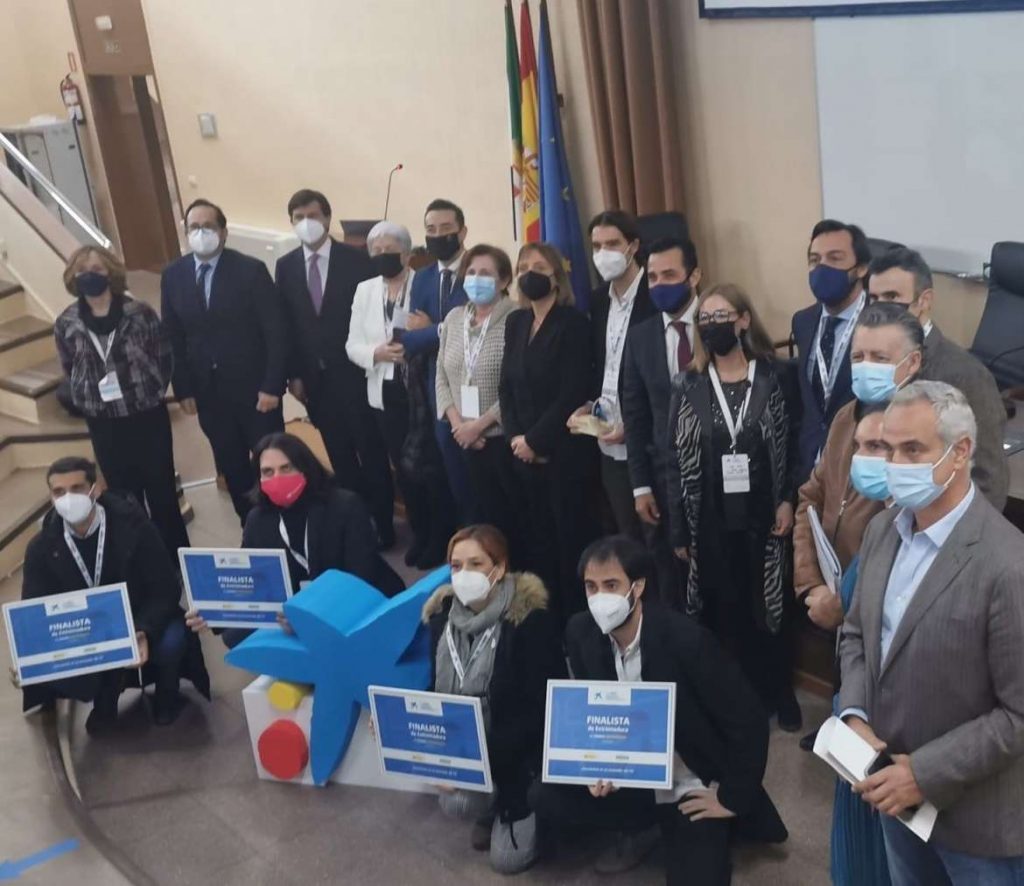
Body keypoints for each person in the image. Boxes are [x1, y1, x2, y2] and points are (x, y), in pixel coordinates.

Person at [839, 381, 1024, 884]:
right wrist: (854, 714)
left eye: (913, 450)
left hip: (977, 826)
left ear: (960, 452)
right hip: (895, 803)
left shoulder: (1007, 565)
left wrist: (923, 774)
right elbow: (856, 635)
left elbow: (1017, 714)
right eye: (888, 449)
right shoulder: (882, 531)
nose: (895, 464)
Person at [529, 536, 787, 885]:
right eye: (591, 586)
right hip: (627, 774)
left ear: (638, 587)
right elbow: (589, 707)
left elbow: (748, 719)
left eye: (611, 585)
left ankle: (701, 829)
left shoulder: (687, 640)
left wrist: (730, 797)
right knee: (544, 794)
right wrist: (595, 766)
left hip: (687, 780)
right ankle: (640, 827)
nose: (599, 597)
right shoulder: (580, 632)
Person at [668, 284, 801, 730]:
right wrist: (679, 529)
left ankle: (780, 690)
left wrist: (788, 499)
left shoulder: (776, 376)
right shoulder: (687, 383)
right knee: (725, 607)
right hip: (708, 517)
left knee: (770, 605)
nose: (712, 325)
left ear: (743, 320)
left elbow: (794, 443)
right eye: (705, 319)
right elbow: (671, 458)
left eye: (721, 316)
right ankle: (740, 697)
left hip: (765, 512)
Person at [19, 457, 208, 731]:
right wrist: (29, 653)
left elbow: (165, 588)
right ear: (51, 497)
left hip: (140, 617)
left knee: (171, 640)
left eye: (77, 488)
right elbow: (35, 609)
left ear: (95, 489)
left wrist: (143, 630)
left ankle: (168, 693)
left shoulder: (135, 526)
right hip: (86, 630)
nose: (68, 498)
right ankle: (105, 696)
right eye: (59, 492)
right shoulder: (41, 547)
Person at [421, 525, 564, 874]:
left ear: (499, 569)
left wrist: (479, 756)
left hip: (521, 754)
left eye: (476, 564)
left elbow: (541, 711)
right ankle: (489, 803)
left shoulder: (530, 621)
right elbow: (434, 689)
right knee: (456, 803)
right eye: (456, 566)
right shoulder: (441, 619)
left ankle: (527, 809)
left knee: (507, 862)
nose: (464, 574)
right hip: (472, 748)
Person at [186, 433, 403, 649]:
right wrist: (212, 614)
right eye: (268, 472)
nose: (277, 478)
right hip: (294, 611)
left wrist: (308, 618)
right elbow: (251, 582)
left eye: (286, 468)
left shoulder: (345, 506)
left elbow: (359, 579)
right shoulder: (257, 520)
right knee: (233, 637)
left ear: (305, 469)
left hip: (353, 603)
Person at [275, 189, 394, 547]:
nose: (306, 223)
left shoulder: (356, 261)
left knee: (371, 452)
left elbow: (373, 315)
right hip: (315, 381)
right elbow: (287, 325)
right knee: (340, 456)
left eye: (312, 215)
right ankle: (357, 524)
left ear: (327, 218)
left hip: (355, 374)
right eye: (298, 218)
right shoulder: (286, 266)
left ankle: (384, 523)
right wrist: (294, 375)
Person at [54, 245, 189, 562]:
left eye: (97, 270)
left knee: (163, 495)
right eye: (82, 271)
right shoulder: (67, 322)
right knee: (124, 500)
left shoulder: (139, 313)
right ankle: (142, 564)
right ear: (73, 277)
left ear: (110, 273)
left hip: (146, 416)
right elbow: (69, 367)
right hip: (104, 424)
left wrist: (150, 391)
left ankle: (178, 562)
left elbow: (163, 357)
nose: (90, 276)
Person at [796, 303, 925, 633]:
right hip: (829, 601)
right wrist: (812, 584)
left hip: (883, 616)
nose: (866, 367)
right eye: (858, 357)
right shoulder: (845, 418)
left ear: (912, 362)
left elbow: (912, 541)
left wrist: (842, 604)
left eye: (880, 358)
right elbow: (810, 498)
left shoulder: (927, 438)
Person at [160, 198, 288, 521]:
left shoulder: (250, 271)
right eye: (194, 227)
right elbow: (173, 336)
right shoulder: (173, 275)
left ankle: (283, 523)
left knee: (271, 462)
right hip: (209, 394)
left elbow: (276, 331)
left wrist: (272, 385)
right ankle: (251, 526)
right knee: (232, 466)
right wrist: (183, 388)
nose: (201, 233)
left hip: (256, 392)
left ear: (223, 232)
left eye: (208, 226)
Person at [499, 242, 599, 618]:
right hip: (522, 454)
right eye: (523, 267)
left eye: (539, 267)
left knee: (568, 542)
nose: (530, 274)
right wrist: (515, 438)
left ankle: (575, 619)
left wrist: (535, 440)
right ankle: (544, 615)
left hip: (563, 454)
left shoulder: (574, 324)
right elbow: (505, 387)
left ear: (557, 277)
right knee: (535, 539)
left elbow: (572, 392)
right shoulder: (516, 322)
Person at [867, 247, 1008, 510]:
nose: (881, 310)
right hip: (877, 523)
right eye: (874, 299)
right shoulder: (870, 365)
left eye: (892, 297)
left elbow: (989, 481)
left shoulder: (966, 375)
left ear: (924, 301)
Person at [346, 221, 453, 569]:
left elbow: (445, 330)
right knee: (404, 470)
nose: (382, 255)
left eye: (390, 250)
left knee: (430, 468)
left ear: (407, 254)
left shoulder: (424, 284)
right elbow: (352, 344)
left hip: (422, 390)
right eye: (376, 250)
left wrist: (424, 332)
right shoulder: (365, 290)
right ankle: (420, 532)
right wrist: (376, 353)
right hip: (384, 390)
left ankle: (441, 535)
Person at [621, 236, 703, 608]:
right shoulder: (639, 337)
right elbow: (635, 416)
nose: (659, 285)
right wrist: (640, 486)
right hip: (662, 479)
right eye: (652, 277)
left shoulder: (718, 320)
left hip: (714, 477)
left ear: (694, 276)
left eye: (669, 275)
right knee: (670, 581)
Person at [435, 244, 525, 561]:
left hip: (500, 440)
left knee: (508, 521)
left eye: (485, 273)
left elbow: (518, 385)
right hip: (461, 438)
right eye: (471, 272)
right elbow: (441, 376)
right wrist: (459, 425)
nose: (476, 278)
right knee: (473, 517)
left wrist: (480, 426)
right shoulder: (454, 318)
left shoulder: (517, 318)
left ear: (504, 280)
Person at [573, 210, 656, 540]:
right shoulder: (598, 301)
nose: (603, 254)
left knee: (656, 536)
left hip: (646, 439)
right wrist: (588, 405)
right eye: (596, 246)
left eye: (612, 244)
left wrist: (633, 426)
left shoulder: (655, 295)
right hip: (608, 438)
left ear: (632, 246)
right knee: (627, 535)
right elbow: (602, 363)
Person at [401, 198, 472, 523]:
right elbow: (410, 339)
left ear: (462, 232)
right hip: (433, 390)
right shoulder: (422, 277)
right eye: (431, 229)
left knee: (473, 481)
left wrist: (434, 328)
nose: (438, 235)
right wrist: (443, 328)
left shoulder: (478, 271)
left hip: (472, 390)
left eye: (446, 228)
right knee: (446, 477)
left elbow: (472, 330)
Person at [792, 220, 871, 486]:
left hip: (857, 473)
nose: (822, 268)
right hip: (810, 471)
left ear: (861, 268)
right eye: (815, 260)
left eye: (835, 259)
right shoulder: (803, 322)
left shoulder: (881, 324)